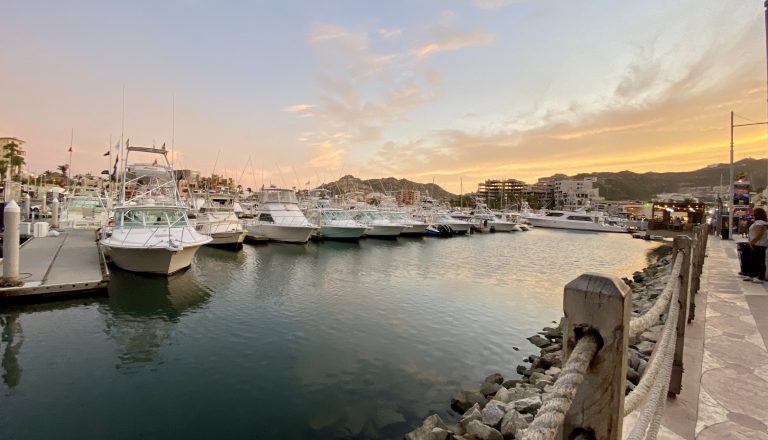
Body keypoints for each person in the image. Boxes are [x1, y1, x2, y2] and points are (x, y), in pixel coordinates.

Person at [745, 207, 768, 283]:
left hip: (759, 244)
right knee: (753, 260)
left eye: (754, 213)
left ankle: (760, 277)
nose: (753, 214)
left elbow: (759, 234)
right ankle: (751, 275)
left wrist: (752, 242)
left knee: (759, 261)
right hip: (756, 244)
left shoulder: (760, 223)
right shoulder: (758, 222)